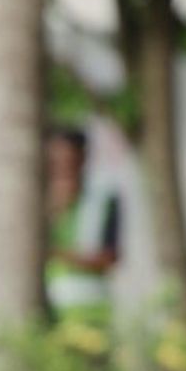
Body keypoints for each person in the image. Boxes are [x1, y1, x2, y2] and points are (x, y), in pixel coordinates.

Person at [44, 125, 121, 323]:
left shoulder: (103, 200)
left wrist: (60, 255)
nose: (62, 167)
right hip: (48, 309)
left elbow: (110, 257)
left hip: (92, 310)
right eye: (56, 161)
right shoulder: (39, 203)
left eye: (68, 159)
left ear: (82, 158)